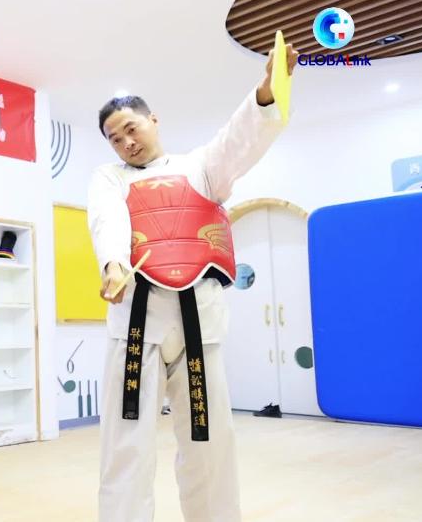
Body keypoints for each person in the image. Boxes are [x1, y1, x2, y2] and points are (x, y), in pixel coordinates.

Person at [88, 44, 299, 522]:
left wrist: (265, 92)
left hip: (197, 326)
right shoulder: (109, 177)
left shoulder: (201, 168)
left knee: (210, 442)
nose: (126, 143)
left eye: (131, 129)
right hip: (136, 324)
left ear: (153, 120)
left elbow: (238, 142)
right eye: (115, 139)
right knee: (124, 446)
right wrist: (113, 265)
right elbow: (106, 219)